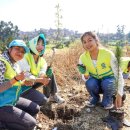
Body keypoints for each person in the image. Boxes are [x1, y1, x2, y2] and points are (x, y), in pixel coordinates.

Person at [77, 31, 124, 109]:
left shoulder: (108, 54)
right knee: (90, 83)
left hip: (109, 82)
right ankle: (95, 98)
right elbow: (85, 78)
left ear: (96, 40)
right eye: (84, 42)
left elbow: (118, 74)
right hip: (96, 83)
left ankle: (108, 100)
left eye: (90, 40)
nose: (87, 44)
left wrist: (119, 94)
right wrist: (85, 74)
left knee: (107, 83)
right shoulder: (82, 58)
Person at [0, 40, 38, 130]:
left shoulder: (15, 64)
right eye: (17, 49)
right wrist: (16, 79)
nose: (20, 53)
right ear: (9, 49)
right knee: (31, 124)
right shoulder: (2, 63)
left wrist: (25, 83)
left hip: (10, 101)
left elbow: (15, 85)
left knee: (35, 109)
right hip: (2, 104)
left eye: (23, 52)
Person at [18, 34, 64, 104]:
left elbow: (42, 72)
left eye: (42, 44)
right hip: (25, 85)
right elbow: (26, 75)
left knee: (50, 74)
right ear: (33, 45)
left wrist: (44, 74)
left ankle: (52, 96)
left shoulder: (42, 60)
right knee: (41, 100)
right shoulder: (25, 57)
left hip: (33, 82)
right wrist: (40, 79)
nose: (40, 46)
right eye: (38, 44)